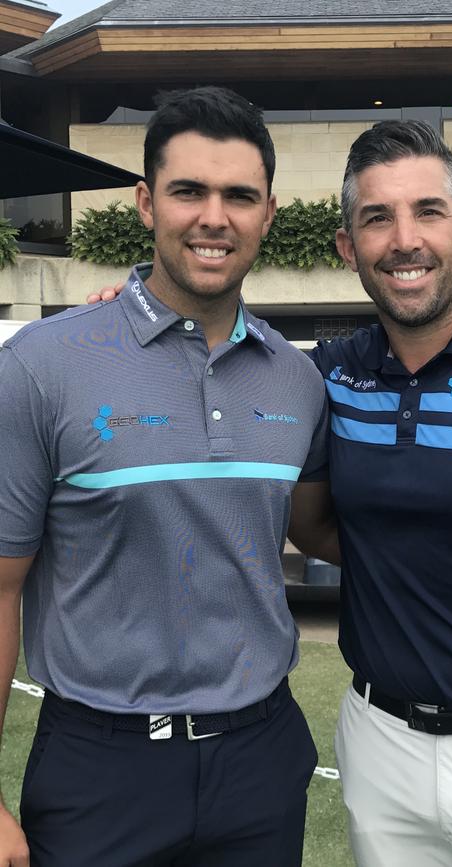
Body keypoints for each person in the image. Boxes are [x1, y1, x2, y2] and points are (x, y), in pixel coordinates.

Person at [88, 120, 452, 866]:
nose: (404, 239)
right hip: (382, 745)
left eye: (428, 211)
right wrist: (119, 328)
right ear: (348, 247)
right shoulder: (322, 378)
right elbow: (310, 516)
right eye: (376, 218)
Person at [0, 85, 337, 867]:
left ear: (269, 214)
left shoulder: (299, 381)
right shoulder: (42, 367)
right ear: (148, 203)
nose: (214, 217)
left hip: (262, 759)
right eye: (190, 191)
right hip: (98, 764)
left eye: (239, 196)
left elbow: (324, 529)